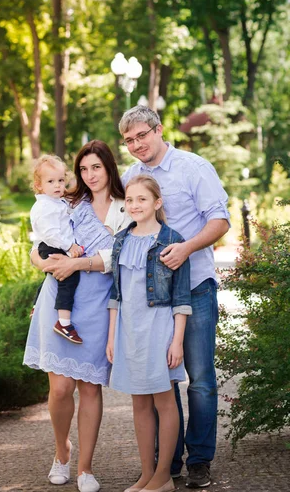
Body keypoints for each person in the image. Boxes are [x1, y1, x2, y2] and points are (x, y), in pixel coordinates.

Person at [119, 106, 230, 489]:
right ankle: (168, 463)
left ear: (158, 130)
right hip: (152, 302)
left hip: (195, 285)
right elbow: (115, 226)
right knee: (161, 380)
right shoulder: (132, 177)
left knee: (199, 379)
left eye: (141, 136)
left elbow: (220, 220)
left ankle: (199, 459)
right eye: (129, 140)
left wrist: (186, 248)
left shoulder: (193, 167)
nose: (136, 145)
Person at [23, 140, 131, 492]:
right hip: (60, 296)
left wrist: (77, 262)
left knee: (89, 387)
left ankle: (85, 468)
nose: (89, 175)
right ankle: (62, 452)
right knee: (60, 388)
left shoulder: (125, 205)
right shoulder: (69, 202)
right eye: (83, 169)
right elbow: (39, 239)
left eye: (95, 168)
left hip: (99, 300)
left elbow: (122, 255)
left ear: (108, 168)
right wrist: (41, 261)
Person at [107, 175, 192, 492]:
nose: (134, 205)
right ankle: (146, 474)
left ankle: (163, 476)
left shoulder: (172, 240)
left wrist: (177, 341)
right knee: (139, 402)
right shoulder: (121, 240)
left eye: (141, 199)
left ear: (157, 203)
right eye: (129, 200)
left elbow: (181, 298)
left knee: (164, 400)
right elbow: (115, 294)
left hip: (159, 328)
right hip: (129, 329)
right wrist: (111, 336)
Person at [30, 154, 85, 344]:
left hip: (56, 244)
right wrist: (69, 246)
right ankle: (64, 322)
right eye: (51, 181)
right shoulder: (44, 207)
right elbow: (51, 233)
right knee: (68, 277)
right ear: (39, 185)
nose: (57, 185)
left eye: (61, 180)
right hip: (52, 245)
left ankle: (37, 306)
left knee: (51, 278)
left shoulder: (55, 202)